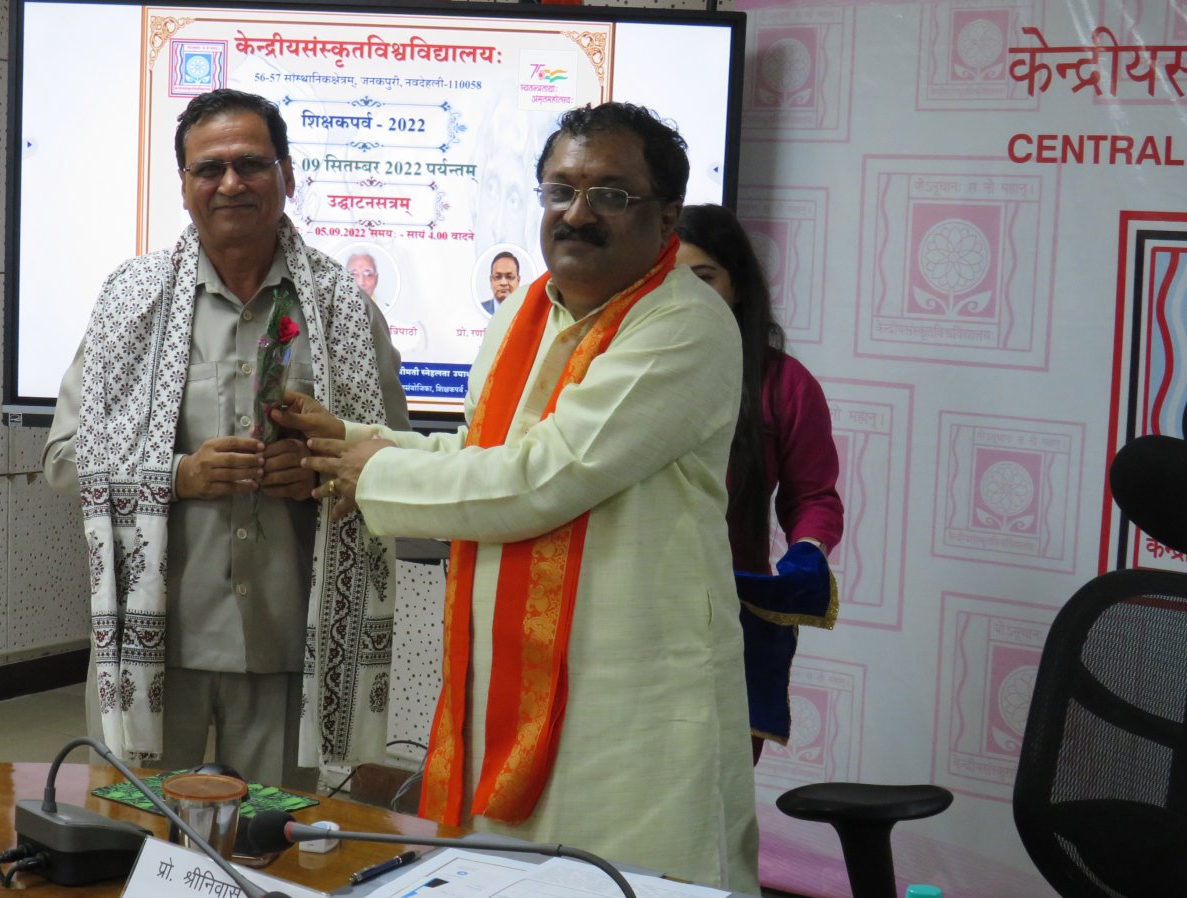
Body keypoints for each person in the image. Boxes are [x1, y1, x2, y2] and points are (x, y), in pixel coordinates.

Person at [275, 102, 758, 891]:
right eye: (560, 190)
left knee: (628, 881)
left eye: (611, 195)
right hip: (509, 679)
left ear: (667, 214)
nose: (578, 213)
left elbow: (543, 478)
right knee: (504, 877)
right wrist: (352, 443)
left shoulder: (684, 325)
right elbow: (484, 460)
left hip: (632, 695)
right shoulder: (523, 316)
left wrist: (373, 471)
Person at [41, 89, 409, 790]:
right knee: (137, 829)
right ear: (184, 186)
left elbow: (393, 458)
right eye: (209, 169)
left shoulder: (344, 308)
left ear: (287, 175)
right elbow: (63, 458)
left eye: (252, 164)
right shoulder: (131, 300)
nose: (231, 183)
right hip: (155, 642)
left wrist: (323, 472)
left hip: (290, 643)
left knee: (272, 838)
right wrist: (180, 476)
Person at [675, 205, 843, 763]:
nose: (686, 296)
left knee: (715, 785)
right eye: (669, 280)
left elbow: (813, 496)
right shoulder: (620, 371)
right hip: (631, 612)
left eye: (703, 278)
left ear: (739, 287)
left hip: (730, 613)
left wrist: (808, 552)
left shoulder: (784, 383)